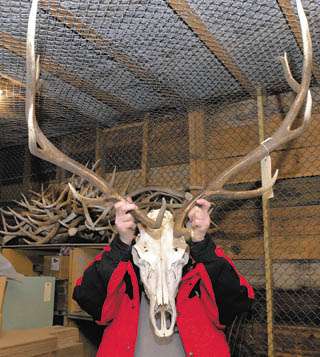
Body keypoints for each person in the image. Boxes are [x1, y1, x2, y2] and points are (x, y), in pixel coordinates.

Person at [73, 198, 254, 356]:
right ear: (137, 250)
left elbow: (237, 301)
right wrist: (121, 244)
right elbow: (87, 297)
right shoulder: (125, 280)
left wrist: (202, 243)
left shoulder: (198, 279)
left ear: (184, 252)